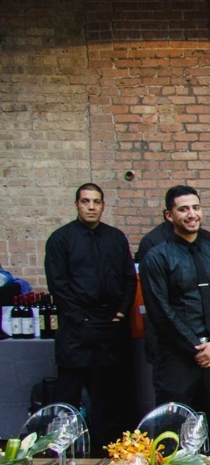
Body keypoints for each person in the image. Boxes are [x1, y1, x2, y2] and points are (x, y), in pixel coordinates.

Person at [140, 186, 210, 453]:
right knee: (173, 430)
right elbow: (161, 311)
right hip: (177, 357)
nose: (192, 214)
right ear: (169, 215)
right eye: (183, 209)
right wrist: (196, 346)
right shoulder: (157, 257)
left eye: (196, 207)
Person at [44, 183, 137, 446]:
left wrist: (121, 310)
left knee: (111, 398)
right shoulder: (60, 239)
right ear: (77, 204)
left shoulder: (116, 237)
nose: (91, 207)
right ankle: (64, 452)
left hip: (111, 327)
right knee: (68, 396)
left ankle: (109, 451)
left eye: (96, 202)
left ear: (103, 205)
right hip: (77, 330)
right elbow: (58, 285)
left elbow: (129, 278)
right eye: (86, 201)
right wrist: (80, 318)